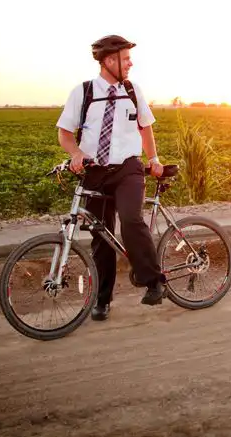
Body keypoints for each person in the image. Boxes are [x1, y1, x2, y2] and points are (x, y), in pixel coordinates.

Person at [56, 34, 166, 321]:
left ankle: (153, 280)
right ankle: (102, 300)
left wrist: (153, 158)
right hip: (95, 172)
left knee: (130, 218)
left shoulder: (132, 90)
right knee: (100, 237)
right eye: (125, 58)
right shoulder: (83, 92)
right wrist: (77, 153)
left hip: (128, 168)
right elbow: (65, 134)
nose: (130, 63)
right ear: (109, 60)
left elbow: (145, 127)